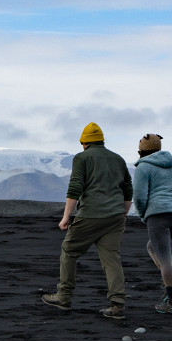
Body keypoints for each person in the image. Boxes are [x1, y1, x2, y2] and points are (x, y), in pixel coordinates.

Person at [42, 122, 132, 319]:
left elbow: (75, 187)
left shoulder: (81, 158)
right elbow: (127, 190)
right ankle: (117, 304)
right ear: (101, 141)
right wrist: (123, 216)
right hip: (116, 216)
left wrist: (66, 216)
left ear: (84, 142)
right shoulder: (118, 159)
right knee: (111, 258)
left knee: (69, 250)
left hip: (91, 214)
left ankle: (64, 296)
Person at [131, 133, 172, 315]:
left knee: (165, 258)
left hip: (158, 214)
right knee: (152, 247)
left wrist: (143, 214)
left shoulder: (143, 167)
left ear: (142, 150)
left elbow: (139, 196)